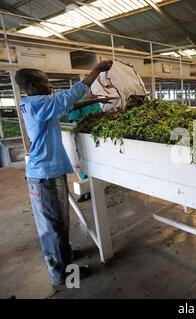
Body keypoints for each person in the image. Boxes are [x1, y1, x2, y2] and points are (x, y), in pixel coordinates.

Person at [15, 60, 113, 288]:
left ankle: (63, 257)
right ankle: (62, 276)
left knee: (57, 223)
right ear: (31, 85)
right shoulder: (40, 103)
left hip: (44, 173)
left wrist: (96, 100)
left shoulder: (32, 103)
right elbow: (67, 97)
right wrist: (96, 71)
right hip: (44, 176)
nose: (49, 86)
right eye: (45, 83)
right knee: (54, 225)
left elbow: (66, 106)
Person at [68, 93, 116, 202]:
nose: (94, 94)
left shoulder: (96, 104)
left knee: (96, 163)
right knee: (84, 163)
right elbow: (75, 122)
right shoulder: (79, 104)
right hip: (84, 138)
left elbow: (100, 117)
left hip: (96, 137)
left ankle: (95, 188)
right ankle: (85, 191)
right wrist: (83, 132)